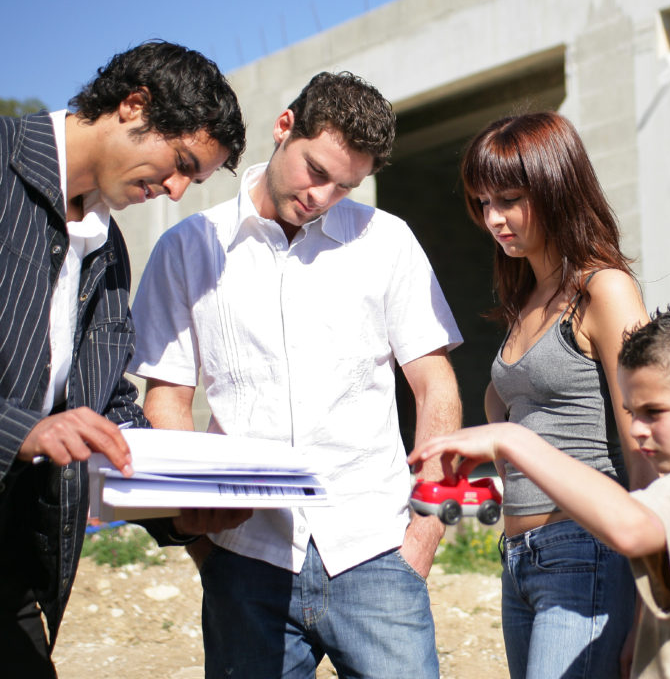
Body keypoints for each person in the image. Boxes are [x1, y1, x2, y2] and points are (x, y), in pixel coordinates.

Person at [130, 71, 462, 679]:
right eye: (316, 170)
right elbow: (169, 398)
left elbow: (434, 385)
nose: (323, 196)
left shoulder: (387, 241)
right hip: (244, 557)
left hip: (376, 548)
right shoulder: (187, 248)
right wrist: (201, 542)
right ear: (285, 127)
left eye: (346, 186)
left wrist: (425, 531)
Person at [0, 40, 246, 677]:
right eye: (180, 164)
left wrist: (179, 502)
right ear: (134, 105)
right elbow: (46, 428)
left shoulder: (108, 252)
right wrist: (22, 431)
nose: (172, 191)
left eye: (192, 181)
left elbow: (105, 406)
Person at [411, 306, 670, 678]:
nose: (636, 430)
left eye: (654, 412)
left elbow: (631, 528)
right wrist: (643, 627)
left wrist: (514, 441)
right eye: (631, 413)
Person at [458, 111, 652, 678]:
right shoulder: (529, 296)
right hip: (518, 558)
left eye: (510, 199)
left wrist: (648, 596)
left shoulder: (605, 288)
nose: (494, 218)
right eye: (481, 203)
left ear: (557, 187)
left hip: (585, 550)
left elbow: (642, 448)